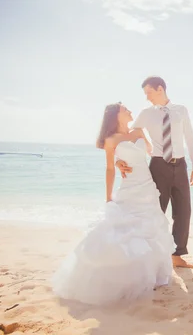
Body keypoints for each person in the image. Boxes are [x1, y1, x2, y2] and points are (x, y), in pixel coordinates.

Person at [51, 103, 175, 306]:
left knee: (152, 227)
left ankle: (153, 274)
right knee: (129, 230)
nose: (129, 111)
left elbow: (152, 151)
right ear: (115, 115)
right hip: (130, 188)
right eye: (125, 109)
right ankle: (131, 277)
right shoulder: (111, 140)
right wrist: (109, 196)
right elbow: (109, 169)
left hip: (148, 187)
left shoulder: (138, 130)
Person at [116, 76, 193, 269]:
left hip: (180, 165)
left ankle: (177, 254)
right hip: (158, 165)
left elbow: (190, 138)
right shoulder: (146, 113)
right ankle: (152, 253)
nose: (147, 98)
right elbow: (127, 135)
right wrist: (118, 159)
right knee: (156, 211)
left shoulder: (181, 110)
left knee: (184, 211)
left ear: (160, 89)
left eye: (149, 93)